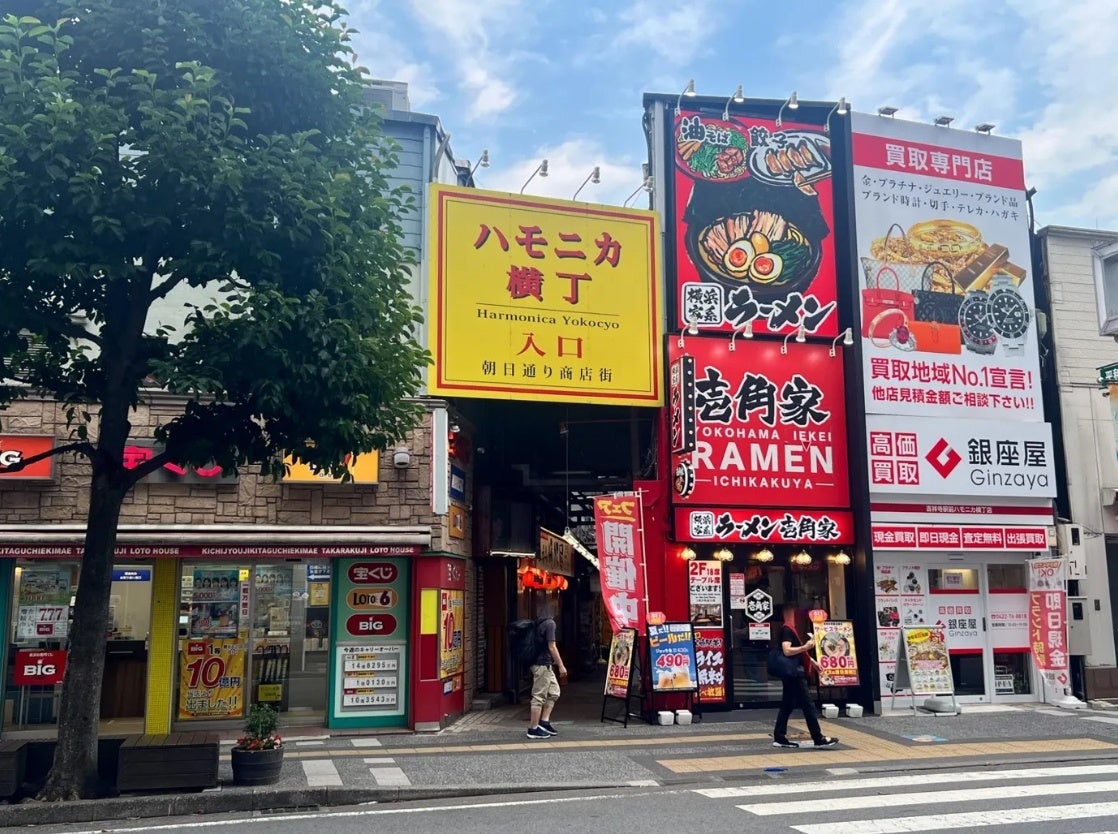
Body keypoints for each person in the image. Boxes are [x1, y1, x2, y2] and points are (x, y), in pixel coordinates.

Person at [772, 603, 838, 749]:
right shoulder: (787, 629)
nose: (798, 616)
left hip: (792, 673)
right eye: (795, 612)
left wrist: (812, 662)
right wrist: (806, 647)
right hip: (795, 674)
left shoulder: (789, 629)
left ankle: (779, 736)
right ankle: (818, 738)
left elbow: (797, 652)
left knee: (788, 705)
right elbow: (787, 650)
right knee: (808, 704)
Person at [526, 600, 567, 740]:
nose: (557, 610)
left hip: (543, 664)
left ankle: (544, 722)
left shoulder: (538, 623)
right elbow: (552, 647)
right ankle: (533, 728)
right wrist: (561, 665)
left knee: (554, 692)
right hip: (542, 665)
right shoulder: (550, 624)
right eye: (555, 608)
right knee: (539, 696)